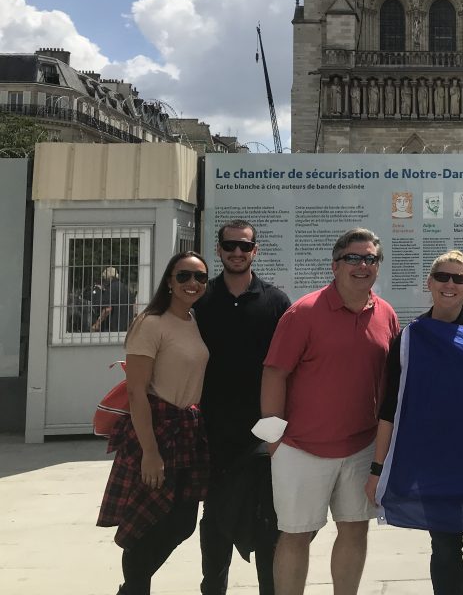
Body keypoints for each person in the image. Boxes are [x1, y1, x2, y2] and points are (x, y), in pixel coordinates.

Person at [260, 229, 399, 595]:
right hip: (300, 448)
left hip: (361, 448)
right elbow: (274, 372)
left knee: (355, 529)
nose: (362, 265)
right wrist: (275, 441)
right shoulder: (303, 312)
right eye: (354, 258)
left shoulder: (386, 314)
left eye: (370, 259)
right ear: (335, 265)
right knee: (295, 534)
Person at [367, 250, 463, 595]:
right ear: (429, 283)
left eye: (458, 278)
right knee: (445, 549)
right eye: (442, 277)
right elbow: (391, 408)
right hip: (435, 461)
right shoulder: (410, 340)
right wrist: (377, 470)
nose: (450, 284)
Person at [97, 251, 211, 595]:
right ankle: (134, 588)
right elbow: (136, 393)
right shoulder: (151, 323)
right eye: (184, 276)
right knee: (145, 520)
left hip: (188, 428)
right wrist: (150, 452)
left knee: (182, 523)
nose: (192, 283)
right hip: (156, 427)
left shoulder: (193, 320)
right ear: (169, 281)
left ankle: (130, 587)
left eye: (200, 278)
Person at [194, 220, 292, 595]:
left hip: (262, 431)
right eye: (229, 246)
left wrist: (280, 428)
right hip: (212, 427)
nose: (237, 252)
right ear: (218, 249)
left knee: (267, 520)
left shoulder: (275, 301)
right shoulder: (200, 299)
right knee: (215, 519)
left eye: (244, 247)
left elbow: (286, 368)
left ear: (256, 250)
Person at [92, 266, 135, 332]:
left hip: (111, 329)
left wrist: (97, 323)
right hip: (126, 328)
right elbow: (133, 306)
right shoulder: (126, 288)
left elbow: (107, 309)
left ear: (108, 278)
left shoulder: (110, 289)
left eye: (104, 279)